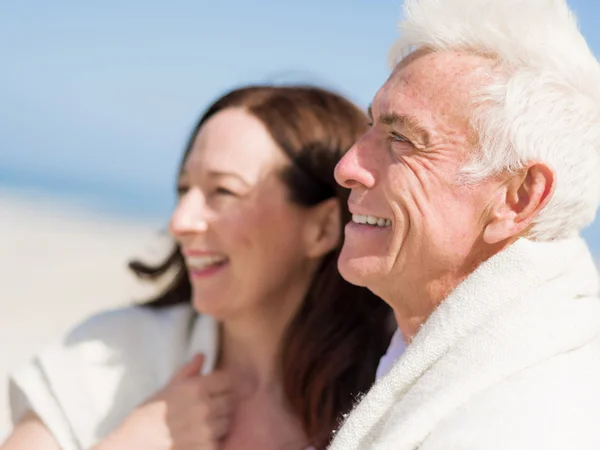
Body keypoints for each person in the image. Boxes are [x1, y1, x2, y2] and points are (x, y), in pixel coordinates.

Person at [2, 85, 394, 450]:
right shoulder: (109, 353)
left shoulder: (391, 388)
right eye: (184, 189)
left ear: (322, 227)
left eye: (223, 191)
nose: (180, 221)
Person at [327, 0, 600, 449]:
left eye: (402, 139)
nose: (347, 166)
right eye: (370, 126)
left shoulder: (528, 422)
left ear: (518, 198)